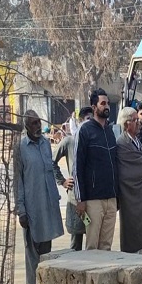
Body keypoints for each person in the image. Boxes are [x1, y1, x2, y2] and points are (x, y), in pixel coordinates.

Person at [15, 111, 64, 284]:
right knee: (32, 247)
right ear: (26, 126)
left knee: (46, 246)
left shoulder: (44, 143)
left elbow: (50, 168)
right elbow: (17, 180)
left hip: (48, 203)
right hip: (31, 205)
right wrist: (21, 210)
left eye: (38, 123)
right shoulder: (20, 147)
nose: (37, 127)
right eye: (33, 124)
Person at [73, 88, 118, 251]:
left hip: (111, 200)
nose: (107, 107)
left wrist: (116, 196)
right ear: (94, 107)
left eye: (108, 103)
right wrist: (80, 199)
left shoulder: (110, 132)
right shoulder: (84, 131)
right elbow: (77, 166)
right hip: (92, 201)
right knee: (92, 246)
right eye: (103, 103)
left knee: (106, 246)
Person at [116, 107, 142, 254]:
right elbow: (127, 172)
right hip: (131, 197)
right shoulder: (121, 143)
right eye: (135, 120)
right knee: (133, 237)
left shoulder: (136, 140)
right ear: (127, 124)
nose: (138, 123)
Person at [53, 106, 92, 251]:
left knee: (93, 241)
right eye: (88, 119)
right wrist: (62, 181)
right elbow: (51, 162)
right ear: (80, 121)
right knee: (76, 240)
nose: (90, 123)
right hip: (76, 199)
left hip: (93, 198)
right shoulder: (69, 141)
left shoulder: (95, 140)